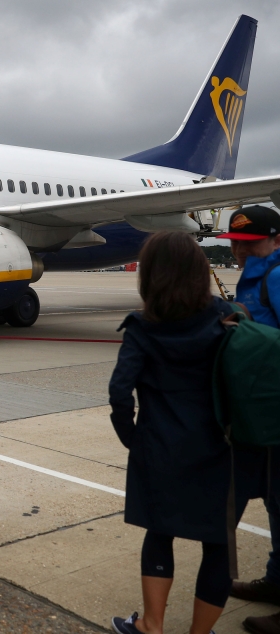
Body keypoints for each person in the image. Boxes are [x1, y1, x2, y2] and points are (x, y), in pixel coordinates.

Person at [108, 232, 234, 634]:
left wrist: (130, 435)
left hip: (159, 446)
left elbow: (119, 390)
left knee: (159, 532)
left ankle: (152, 625)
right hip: (220, 447)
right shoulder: (229, 318)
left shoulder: (143, 328)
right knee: (218, 544)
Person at [215, 206, 280, 634]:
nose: (240, 252)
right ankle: (277, 582)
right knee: (276, 502)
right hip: (261, 411)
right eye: (236, 245)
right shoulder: (256, 271)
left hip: (275, 409)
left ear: (275, 239)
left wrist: (244, 330)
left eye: (249, 244)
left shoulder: (276, 276)